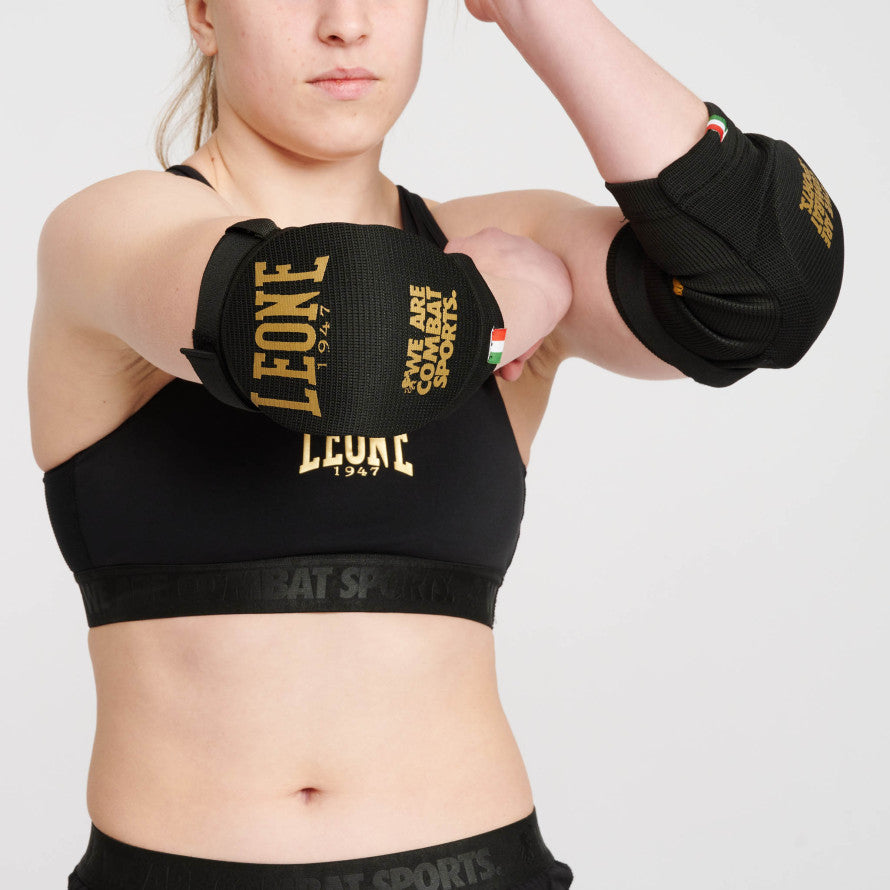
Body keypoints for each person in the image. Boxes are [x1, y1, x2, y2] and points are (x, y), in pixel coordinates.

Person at [29, 1, 843, 888]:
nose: (346, 22)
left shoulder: (499, 237)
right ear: (204, 12)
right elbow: (329, 336)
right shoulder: (111, 231)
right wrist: (498, 311)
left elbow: (766, 290)